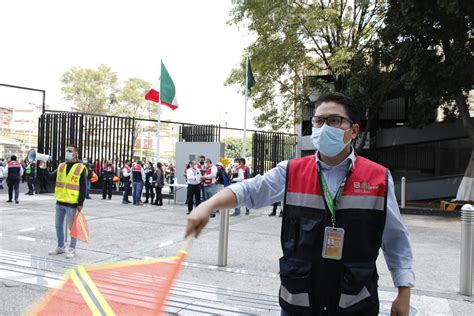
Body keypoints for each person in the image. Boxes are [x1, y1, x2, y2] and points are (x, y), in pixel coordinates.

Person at [186, 92, 414, 316]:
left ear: (353, 131)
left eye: (334, 120)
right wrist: (207, 206)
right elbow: (250, 190)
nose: (324, 127)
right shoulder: (291, 171)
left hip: (355, 301)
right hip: (300, 301)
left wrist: (403, 293)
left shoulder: (378, 178)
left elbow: (395, 239)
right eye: (318, 121)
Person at [48, 144, 87, 259]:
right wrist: (43, 168)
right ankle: (60, 246)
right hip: (60, 201)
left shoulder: (80, 167)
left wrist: (80, 203)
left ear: (75, 153)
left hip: (71, 203)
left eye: (70, 151)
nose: (67, 153)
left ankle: (72, 248)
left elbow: (83, 187)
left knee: (72, 227)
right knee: (58, 226)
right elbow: (51, 177)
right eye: (66, 151)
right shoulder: (61, 166)